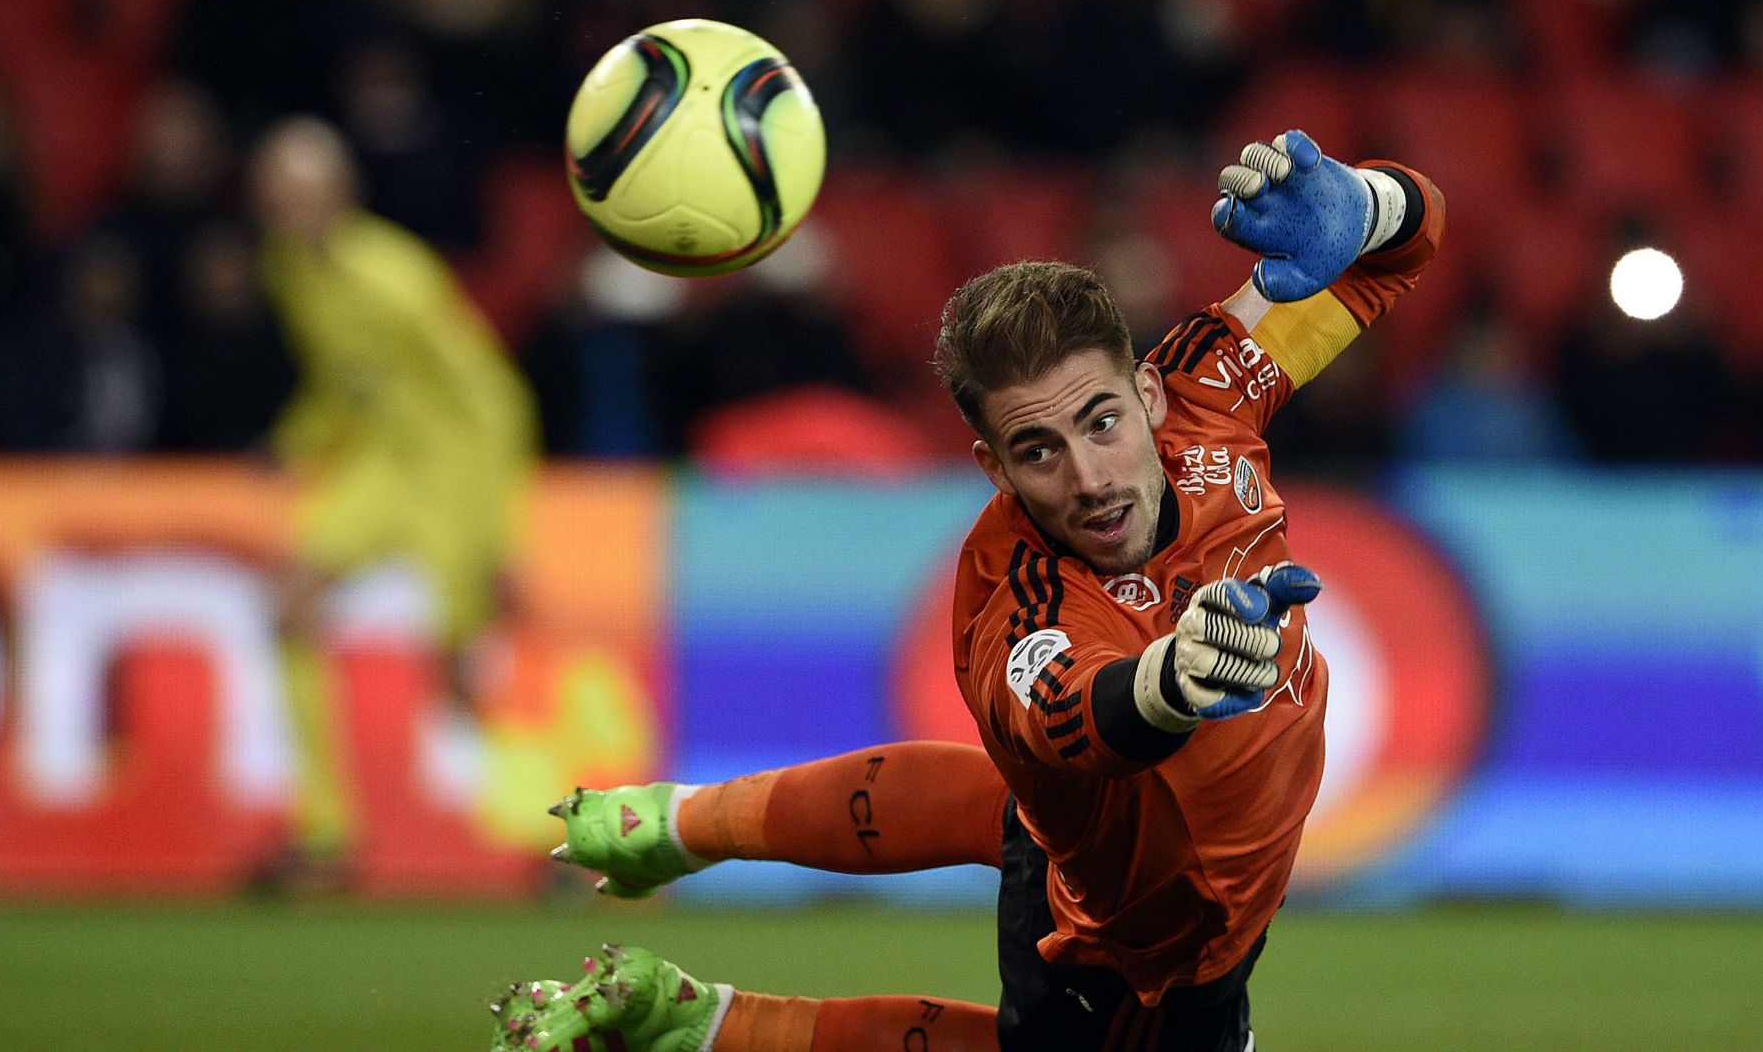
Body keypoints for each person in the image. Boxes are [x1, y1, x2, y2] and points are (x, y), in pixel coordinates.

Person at [495, 130, 1443, 1051]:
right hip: (1143, 936)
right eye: (1039, 451)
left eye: (1102, 422)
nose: (1090, 479)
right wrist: (1172, 681)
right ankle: (696, 1022)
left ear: (1148, 396)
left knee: (1012, 812)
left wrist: (1361, 204)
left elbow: (1403, 247)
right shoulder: (1014, 599)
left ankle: (677, 828)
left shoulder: (1209, 393)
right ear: (995, 467)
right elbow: (1078, 717)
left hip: (1115, 838)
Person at [248, 117, 538, 887]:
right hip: (381, 467)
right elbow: (346, 381)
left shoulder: (396, 277)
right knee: (288, 606)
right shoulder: (287, 268)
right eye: (274, 194)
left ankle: (561, 837)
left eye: (301, 193)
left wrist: (499, 534)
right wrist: (296, 439)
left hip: (450, 471)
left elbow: (493, 396)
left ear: (341, 194)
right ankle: (326, 835)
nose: (286, 209)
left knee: (461, 674)